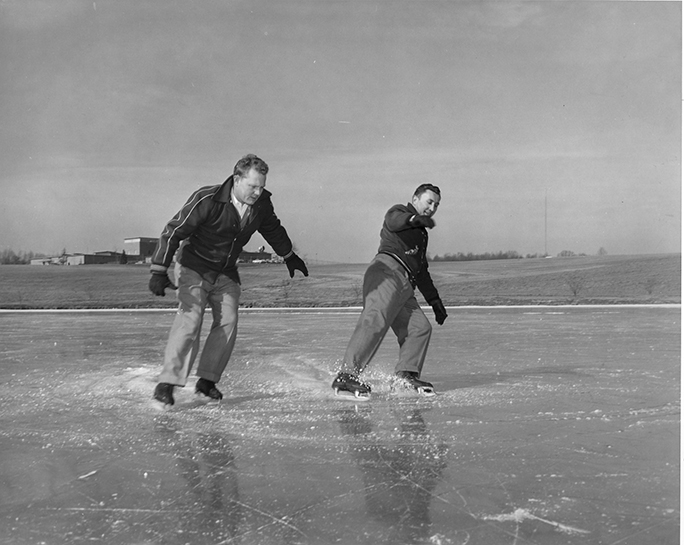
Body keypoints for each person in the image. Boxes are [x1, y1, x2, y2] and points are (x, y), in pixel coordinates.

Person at [148, 154, 308, 406]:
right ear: (236, 179)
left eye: (261, 187)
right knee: (190, 322)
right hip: (194, 266)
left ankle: (206, 381)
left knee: (228, 322)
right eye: (252, 186)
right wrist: (159, 270)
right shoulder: (208, 199)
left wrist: (289, 255)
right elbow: (174, 231)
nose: (257, 192)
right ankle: (167, 383)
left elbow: (273, 230)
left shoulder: (262, 204)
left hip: (226, 271)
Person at [332, 184, 448, 398]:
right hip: (386, 272)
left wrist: (435, 301)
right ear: (415, 199)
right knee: (376, 318)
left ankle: (405, 375)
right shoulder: (400, 214)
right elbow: (394, 220)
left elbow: (421, 270)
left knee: (420, 327)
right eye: (429, 202)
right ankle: (348, 375)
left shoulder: (421, 235)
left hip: (405, 285)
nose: (432, 208)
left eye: (436, 205)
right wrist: (413, 220)